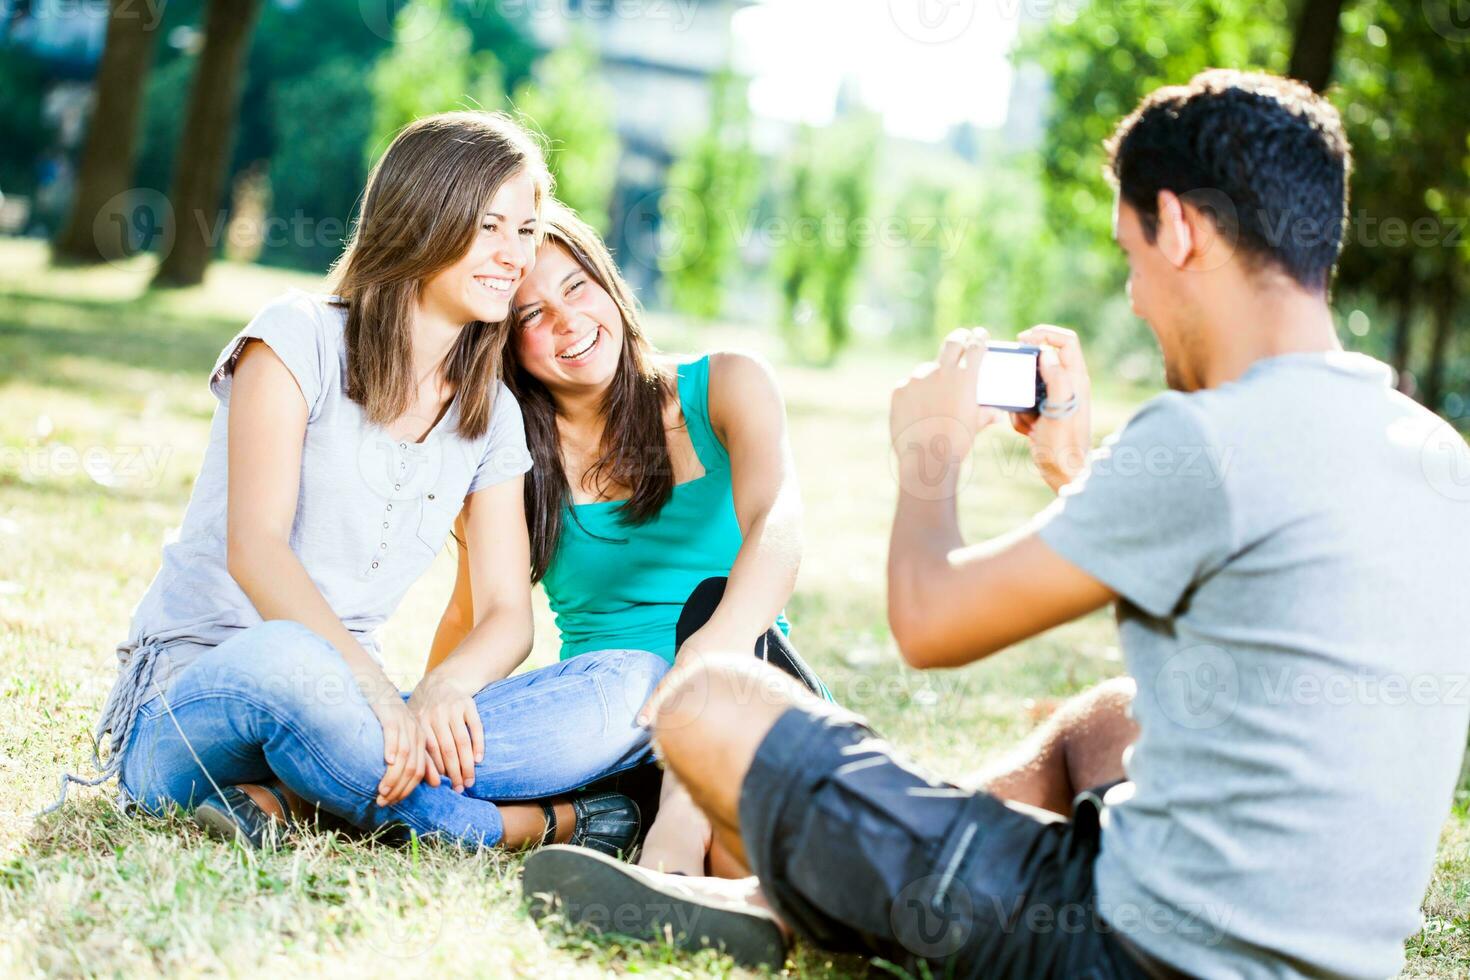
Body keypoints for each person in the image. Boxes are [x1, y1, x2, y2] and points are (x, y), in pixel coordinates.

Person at [522, 70, 1470, 977]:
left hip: (1128, 951)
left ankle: (805, 902)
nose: (1135, 298)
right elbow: (1244, 594)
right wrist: (1070, 469)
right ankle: (817, 895)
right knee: (1104, 717)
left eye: (1130, 258)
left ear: (1177, 228)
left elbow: (930, 624)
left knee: (710, 702)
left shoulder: (1215, 436)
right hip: (1329, 958)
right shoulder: (1434, 452)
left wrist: (930, 452)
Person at [47, 111, 667, 855]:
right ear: (421, 217)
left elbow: (508, 613)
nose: (515, 255)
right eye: (490, 227)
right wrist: (379, 696)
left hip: (358, 718)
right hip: (197, 706)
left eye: (527, 230)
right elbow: (257, 551)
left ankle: (299, 797)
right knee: (290, 662)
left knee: (633, 684)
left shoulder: (491, 411)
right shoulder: (295, 337)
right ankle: (532, 825)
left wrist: (441, 690)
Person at [428, 201, 829, 875]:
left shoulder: (726, 386)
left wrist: (710, 650)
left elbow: (779, 520)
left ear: (608, 283)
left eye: (576, 286)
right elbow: (472, 615)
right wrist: (430, 708)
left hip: (739, 679)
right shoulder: (508, 459)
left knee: (756, 845)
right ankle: (591, 822)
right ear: (504, 341)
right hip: (607, 722)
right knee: (410, 766)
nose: (567, 321)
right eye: (531, 315)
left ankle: (644, 833)